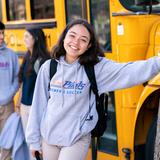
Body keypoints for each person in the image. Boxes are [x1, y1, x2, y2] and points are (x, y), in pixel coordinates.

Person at [26, 18, 160, 160]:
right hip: (49, 137)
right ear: (64, 36)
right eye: (72, 36)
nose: (75, 43)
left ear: (89, 46)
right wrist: (33, 141)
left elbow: (129, 71)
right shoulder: (49, 67)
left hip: (77, 138)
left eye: (83, 40)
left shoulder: (96, 68)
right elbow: (38, 105)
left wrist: (158, 62)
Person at [16, 27, 50, 160]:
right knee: (30, 143)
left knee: (39, 144)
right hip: (25, 107)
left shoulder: (42, 61)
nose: (23, 39)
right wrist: (18, 104)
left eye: (26, 36)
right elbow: (24, 83)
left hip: (36, 109)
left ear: (35, 39)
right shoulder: (27, 56)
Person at [0, 21, 19, 160]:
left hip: (7, 105)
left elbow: (17, 79)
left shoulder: (11, 55)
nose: (1, 36)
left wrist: (8, 95)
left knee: (7, 140)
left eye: (2, 33)